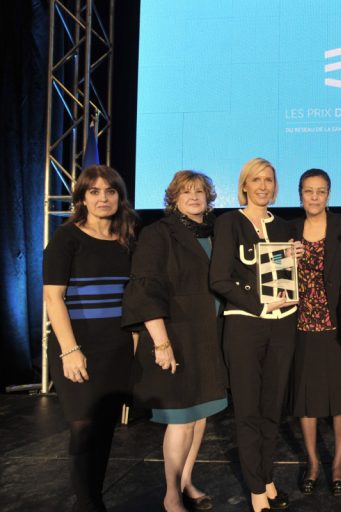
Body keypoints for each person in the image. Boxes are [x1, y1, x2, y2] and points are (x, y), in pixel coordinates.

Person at [122, 170, 228, 512]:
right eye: (186, 192)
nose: (194, 197)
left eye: (200, 192)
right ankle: (171, 494)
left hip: (209, 341)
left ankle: (186, 482)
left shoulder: (216, 234)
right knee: (181, 421)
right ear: (174, 198)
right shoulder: (158, 233)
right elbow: (145, 288)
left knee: (199, 418)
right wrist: (161, 343)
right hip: (175, 339)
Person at [209, 158, 303, 512]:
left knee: (272, 409)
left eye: (269, 180)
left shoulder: (281, 227)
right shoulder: (229, 222)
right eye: (256, 180)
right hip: (245, 324)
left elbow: (280, 277)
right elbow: (218, 279)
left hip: (283, 323)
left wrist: (292, 258)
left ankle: (266, 478)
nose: (263, 186)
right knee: (248, 411)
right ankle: (255, 490)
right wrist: (259, 305)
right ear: (244, 185)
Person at [43, 165, 138, 512]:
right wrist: (70, 350)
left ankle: (94, 498)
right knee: (83, 429)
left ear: (119, 197)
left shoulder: (127, 237)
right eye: (95, 192)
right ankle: (86, 503)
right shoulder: (67, 238)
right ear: (82, 197)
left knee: (104, 430)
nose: (103, 198)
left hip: (117, 348)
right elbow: (54, 298)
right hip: (78, 347)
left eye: (110, 191)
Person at [289, 168, 341, 496]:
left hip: (336, 326)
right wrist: (285, 255)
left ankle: (339, 461)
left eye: (321, 191)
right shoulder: (288, 231)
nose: (314, 197)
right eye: (308, 191)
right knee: (306, 398)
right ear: (299, 194)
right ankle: (314, 463)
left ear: (329, 194)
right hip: (301, 326)